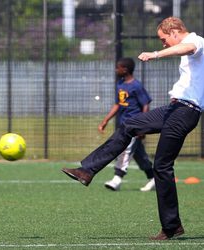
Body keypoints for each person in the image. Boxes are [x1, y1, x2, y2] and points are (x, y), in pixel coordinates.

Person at [62, 16, 204, 240]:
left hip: (186, 112)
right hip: (173, 109)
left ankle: (171, 226)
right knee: (128, 125)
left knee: (162, 165)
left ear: (175, 31)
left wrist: (155, 54)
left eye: (163, 39)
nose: (163, 44)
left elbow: (186, 47)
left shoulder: (196, 41)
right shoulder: (187, 48)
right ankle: (87, 170)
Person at [99, 57, 155, 192]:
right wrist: (106, 120)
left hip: (134, 126)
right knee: (140, 156)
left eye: (118, 67)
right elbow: (118, 104)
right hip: (123, 125)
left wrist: (143, 126)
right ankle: (154, 179)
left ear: (125, 69)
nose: (116, 70)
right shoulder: (120, 84)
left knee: (125, 150)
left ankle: (117, 179)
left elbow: (145, 105)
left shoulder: (136, 86)